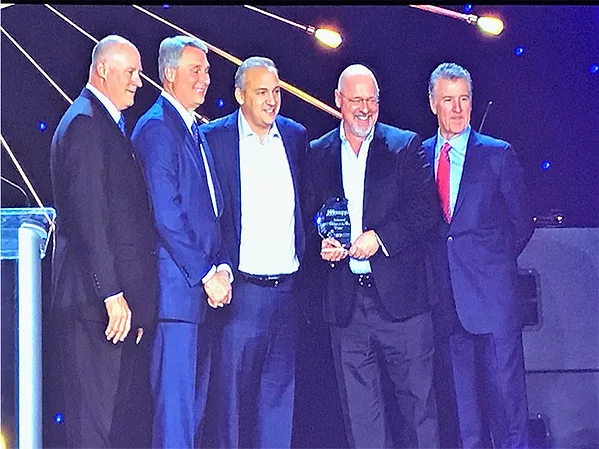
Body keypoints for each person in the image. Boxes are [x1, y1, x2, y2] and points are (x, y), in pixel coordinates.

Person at [303, 64, 441, 448]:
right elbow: (310, 216)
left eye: (372, 100)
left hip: (403, 305)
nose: (365, 109)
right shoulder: (318, 153)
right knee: (362, 421)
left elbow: (425, 210)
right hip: (347, 307)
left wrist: (379, 238)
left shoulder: (403, 146)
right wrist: (322, 243)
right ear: (338, 101)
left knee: (418, 413)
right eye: (356, 100)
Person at [49, 35, 157, 448]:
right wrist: (111, 293)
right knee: (93, 430)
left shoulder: (104, 123)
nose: (138, 82)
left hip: (112, 310)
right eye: (130, 72)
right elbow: (90, 218)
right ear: (103, 70)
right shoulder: (85, 124)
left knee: (110, 427)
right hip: (94, 308)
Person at [423, 62, 534, 449]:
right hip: (448, 305)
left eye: (464, 99)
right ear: (433, 103)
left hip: (494, 304)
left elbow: (522, 223)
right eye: (448, 100)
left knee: (508, 411)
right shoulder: (420, 157)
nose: (457, 109)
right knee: (463, 418)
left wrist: (492, 267)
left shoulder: (497, 155)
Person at [199, 56, 308, 448]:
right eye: (262, 92)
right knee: (229, 410)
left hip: (287, 295)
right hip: (240, 296)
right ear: (239, 95)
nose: (271, 100)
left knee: (278, 408)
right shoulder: (213, 139)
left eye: (276, 91)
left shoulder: (295, 137)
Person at [130, 36, 232, 448]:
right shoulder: (157, 127)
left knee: (192, 416)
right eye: (196, 70)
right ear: (170, 75)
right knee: (175, 419)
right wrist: (207, 273)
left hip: (198, 299)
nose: (205, 79)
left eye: (206, 70)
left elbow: (212, 208)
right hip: (176, 298)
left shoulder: (193, 128)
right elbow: (167, 213)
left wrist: (222, 266)